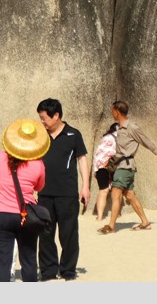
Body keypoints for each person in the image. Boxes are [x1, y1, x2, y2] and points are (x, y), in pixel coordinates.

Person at [35, 98, 89, 281]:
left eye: (44, 118)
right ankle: (49, 271)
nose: (42, 121)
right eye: (40, 118)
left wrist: (86, 187)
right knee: (45, 234)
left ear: (56, 115)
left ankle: (68, 270)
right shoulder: (40, 136)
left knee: (69, 234)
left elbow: (82, 160)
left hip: (67, 194)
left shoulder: (74, 134)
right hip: (44, 193)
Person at [0, 118, 48, 282]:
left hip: (2, 215)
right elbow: (39, 187)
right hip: (26, 216)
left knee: (3, 264)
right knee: (29, 261)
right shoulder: (38, 164)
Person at [99, 100, 157, 236]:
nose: (111, 113)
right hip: (121, 165)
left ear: (117, 112)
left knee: (115, 193)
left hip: (125, 167)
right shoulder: (119, 128)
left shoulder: (132, 127)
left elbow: (145, 140)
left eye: (112, 110)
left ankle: (111, 226)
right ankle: (145, 222)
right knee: (130, 195)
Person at [91, 123, 118, 221]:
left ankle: (99, 216)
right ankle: (116, 214)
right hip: (110, 166)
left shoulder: (104, 138)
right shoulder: (117, 138)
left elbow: (98, 154)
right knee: (116, 190)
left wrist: (95, 169)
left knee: (103, 190)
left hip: (99, 167)